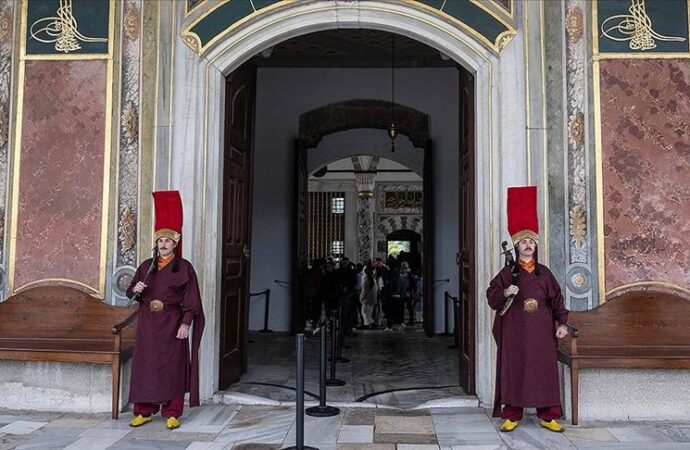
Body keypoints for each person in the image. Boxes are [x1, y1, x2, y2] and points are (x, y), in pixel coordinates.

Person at [486, 186, 569, 433]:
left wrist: (562, 324)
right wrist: (505, 292)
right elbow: (491, 296)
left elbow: (557, 301)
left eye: (531, 241)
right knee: (515, 370)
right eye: (524, 241)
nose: (528, 245)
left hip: (542, 334)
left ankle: (548, 415)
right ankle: (512, 414)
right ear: (516, 246)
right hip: (515, 334)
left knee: (544, 372)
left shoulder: (544, 274)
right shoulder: (507, 273)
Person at [126, 191, 205, 430]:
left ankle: (172, 411)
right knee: (145, 365)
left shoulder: (184, 268)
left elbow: (192, 300)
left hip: (173, 322)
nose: (163, 245)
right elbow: (131, 294)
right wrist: (136, 289)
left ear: (175, 243)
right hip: (149, 323)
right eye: (160, 241)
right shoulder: (145, 267)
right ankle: (144, 410)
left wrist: (185, 323)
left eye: (168, 241)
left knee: (172, 367)